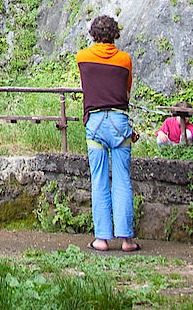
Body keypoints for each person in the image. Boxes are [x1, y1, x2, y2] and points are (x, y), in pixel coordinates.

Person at [77, 14, 140, 253]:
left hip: (95, 122)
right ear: (115, 34)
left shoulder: (82, 56)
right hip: (118, 121)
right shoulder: (124, 59)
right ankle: (127, 240)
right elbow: (127, 90)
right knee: (122, 178)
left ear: (93, 34)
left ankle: (101, 239)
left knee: (99, 179)